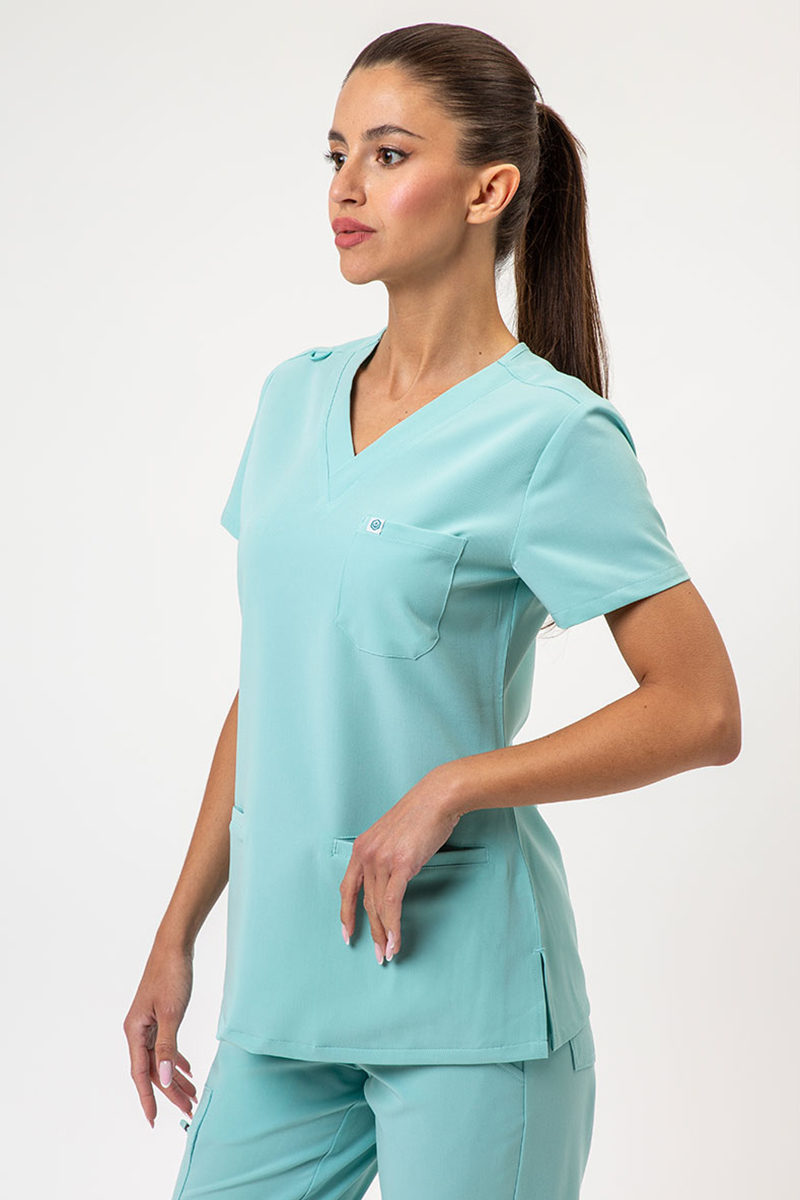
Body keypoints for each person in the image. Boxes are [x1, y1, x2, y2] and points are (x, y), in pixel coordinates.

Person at [123, 22, 741, 1200]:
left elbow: (700, 709)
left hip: (468, 1003)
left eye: (389, 154)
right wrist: (175, 934)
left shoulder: (550, 435)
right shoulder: (290, 400)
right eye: (336, 155)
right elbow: (278, 686)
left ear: (487, 190)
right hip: (284, 990)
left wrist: (453, 784)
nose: (346, 188)